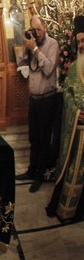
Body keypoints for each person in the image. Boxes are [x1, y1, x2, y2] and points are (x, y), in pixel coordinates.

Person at [46, 16, 84, 221]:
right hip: (78, 132)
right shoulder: (74, 68)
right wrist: (77, 112)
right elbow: (67, 96)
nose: (81, 45)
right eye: (78, 42)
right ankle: (71, 210)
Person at [16, 15, 59, 193]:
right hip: (33, 99)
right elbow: (20, 62)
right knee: (33, 138)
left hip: (47, 99)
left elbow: (48, 69)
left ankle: (40, 175)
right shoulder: (31, 45)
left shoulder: (52, 44)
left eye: (39, 29)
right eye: (34, 30)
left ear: (45, 28)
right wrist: (25, 46)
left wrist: (35, 50)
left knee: (44, 139)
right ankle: (31, 170)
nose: (37, 33)